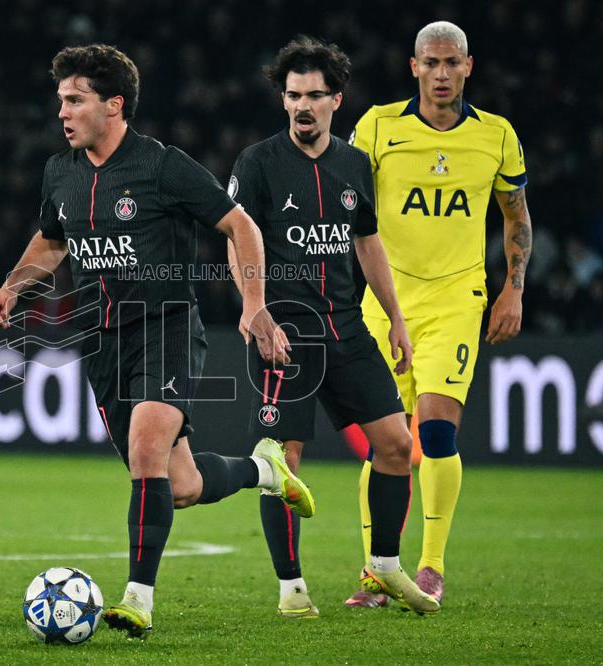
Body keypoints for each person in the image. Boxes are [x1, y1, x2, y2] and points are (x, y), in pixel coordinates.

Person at [0, 44, 313, 639]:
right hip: (102, 342)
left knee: (145, 450)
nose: (62, 112)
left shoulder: (162, 166)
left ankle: (138, 599)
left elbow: (240, 225)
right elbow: (53, 239)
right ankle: (263, 470)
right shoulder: (60, 171)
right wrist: (13, 285)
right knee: (179, 485)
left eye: (75, 100)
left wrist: (255, 303)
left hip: (165, 326)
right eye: (61, 100)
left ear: (113, 105)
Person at [228, 36, 439, 616]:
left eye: (315, 95)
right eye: (294, 95)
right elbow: (237, 240)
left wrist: (395, 319)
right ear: (283, 99)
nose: (303, 105)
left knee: (397, 445)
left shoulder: (354, 165)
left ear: (336, 100)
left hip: (347, 329)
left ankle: (385, 567)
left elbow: (367, 242)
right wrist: (254, 309)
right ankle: (291, 588)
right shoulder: (257, 163)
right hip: (284, 334)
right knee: (283, 462)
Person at [346, 21, 531, 607]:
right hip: (385, 303)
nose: (442, 73)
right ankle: (377, 573)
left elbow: (516, 214)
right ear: (414, 67)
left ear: (469, 67)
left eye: (453, 63)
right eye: (432, 62)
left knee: (435, 430)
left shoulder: (496, 135)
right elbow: (344, 203)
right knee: (386, 442)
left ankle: (430, 566)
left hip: (455, 299)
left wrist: (513, 289)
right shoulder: (378, 127)